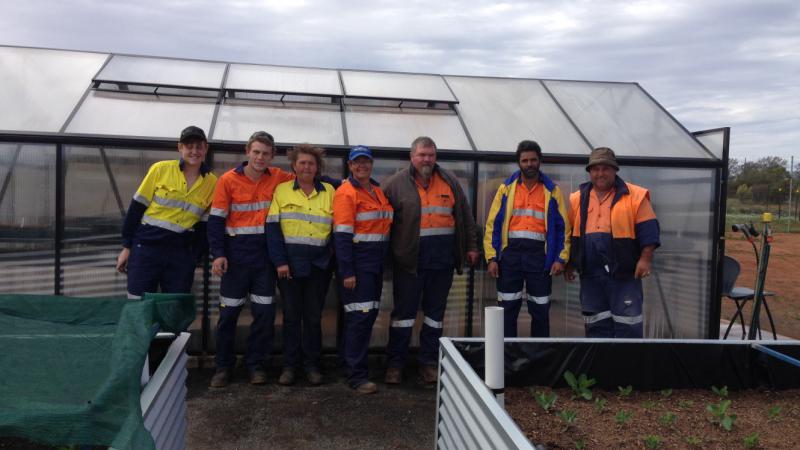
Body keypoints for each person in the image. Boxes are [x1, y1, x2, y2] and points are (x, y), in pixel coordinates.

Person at [383, 136, 479, 385]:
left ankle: (428, 363)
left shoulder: (450, 181)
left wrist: (471, 246)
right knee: (403, 315)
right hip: (409, 263)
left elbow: (466, 216)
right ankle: (395, 364)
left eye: (431, 155)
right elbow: (383, 223)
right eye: (422, 154)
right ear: (411, 157)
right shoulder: (395, 185)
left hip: (442, 262)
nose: (426, 159)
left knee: (434, 316)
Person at [207, 131, 294, 388]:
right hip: (235, 260)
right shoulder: (227, 180)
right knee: (228, 316)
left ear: (272, 156)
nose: (260, 157)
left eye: (266, 153)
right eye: (256, 152)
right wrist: (218, 254)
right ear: (247, 151)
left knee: (264, 316)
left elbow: (308, 177)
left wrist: (344, 181)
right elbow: (216, 221)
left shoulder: (279, 177)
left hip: (264, 263)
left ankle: (255, 365)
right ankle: (223, 366)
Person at [566, 147, 660, 338]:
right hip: (590, 276)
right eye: (595, 169)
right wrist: (569, 263)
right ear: (590, 172)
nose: (600, 173)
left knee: (628, 326)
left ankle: (627, 366)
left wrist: (645, 259)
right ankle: (601, 366)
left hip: (624, 275)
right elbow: (569, 234)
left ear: (615, 170)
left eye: (605, 168)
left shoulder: (635, 196)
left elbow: (649, 231)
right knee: (595, 326)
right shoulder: (577, 198)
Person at [116, 125, 217, 299]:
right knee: (138, 302)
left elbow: (205, 225)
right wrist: (127, 247)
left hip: (180, 253)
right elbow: (136, 208)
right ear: (180, 148)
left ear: (205, 148)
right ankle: (141, 328)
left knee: (173, 306)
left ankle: (170, 329)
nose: (194, 151)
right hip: (147, 247)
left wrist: (194, 256)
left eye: (199, 146)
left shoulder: (213, 183)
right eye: (189, 146)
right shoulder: (160, 169)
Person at [483, 140, 570, 337]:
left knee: (540, 311)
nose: (529, 164)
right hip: (509, 257)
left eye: (533, 160)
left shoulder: (552, 191)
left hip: (540, 258)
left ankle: (539, 360)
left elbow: (563, 227)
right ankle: (507, 360)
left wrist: (560, 259)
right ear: (518, 163)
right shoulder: (506, 189)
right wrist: (491, 258)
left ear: (540, 161)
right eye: (525, 160)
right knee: (506, 311)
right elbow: (492, 225)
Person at [266, 144, 335, 386]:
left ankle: (313, 366)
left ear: (318, 168)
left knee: (314, 317)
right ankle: (290, 367)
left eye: (311, 163)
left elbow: (338, 229)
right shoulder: (282, 191)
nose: (307, 167)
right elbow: (273, 229)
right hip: (290, 268)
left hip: (319, 267)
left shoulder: (330, 191)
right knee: (292, 317)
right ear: (294, 166)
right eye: (302, 163)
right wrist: (281, 262)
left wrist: (329, 259)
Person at [333, 145, 393, 395]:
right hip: (358, 266)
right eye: (357, 162)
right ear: (350, 165)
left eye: (366, 162)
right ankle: (357, 376)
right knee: (359, 318)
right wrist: (347, 272)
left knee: (365, 318)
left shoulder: (377, 191)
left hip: (375, 265)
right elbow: (342, 236)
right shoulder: (346, 193)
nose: (362, 166)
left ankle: (350, 365)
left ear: (371, 164)